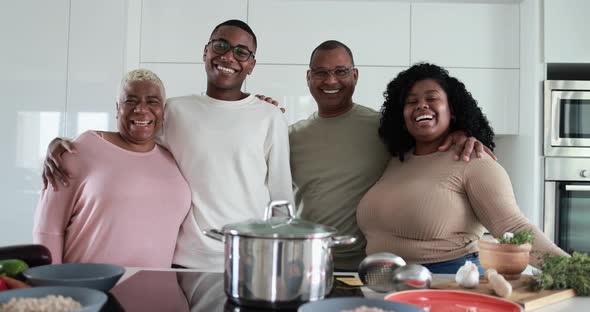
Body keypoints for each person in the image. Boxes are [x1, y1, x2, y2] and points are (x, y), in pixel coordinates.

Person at [41, 20, 293, 271]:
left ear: (251, 65)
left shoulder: (269, 117)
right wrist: (64, 145)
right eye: (221, 45)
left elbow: (282, 199)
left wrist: (281, 260)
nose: (228, 56)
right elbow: (129, 137)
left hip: (250, 260)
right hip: (185, 260)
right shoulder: (175, 110)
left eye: (241, 52)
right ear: (206, 52)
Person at [288, 41, 494, 271]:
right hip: (306, 264)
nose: (331, 80)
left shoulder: (386, 129)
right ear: (309, 77)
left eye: (341, 71)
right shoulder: (290, 136)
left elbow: (430, 134)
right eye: (321, 72)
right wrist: (260, 111)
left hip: (370, 269)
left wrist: (462, 133)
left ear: (355, 76)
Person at [357, 63, 568, 274]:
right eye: (411, 101)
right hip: (383, 282)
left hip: (447, 282)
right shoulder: (396, 161)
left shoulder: (474, 160)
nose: (421, 105)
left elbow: (512, 227)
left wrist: (574, 272)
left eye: (432, 99)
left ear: (453, 110)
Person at [33, 69, 191, 267]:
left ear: (163, 110)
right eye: (130, 101)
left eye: (152, 101)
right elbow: (48, 229)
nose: (141, 109)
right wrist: (50, 289)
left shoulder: (172, 158)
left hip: (154, 291)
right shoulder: (78, 150)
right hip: (87, 290)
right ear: (117, 108)